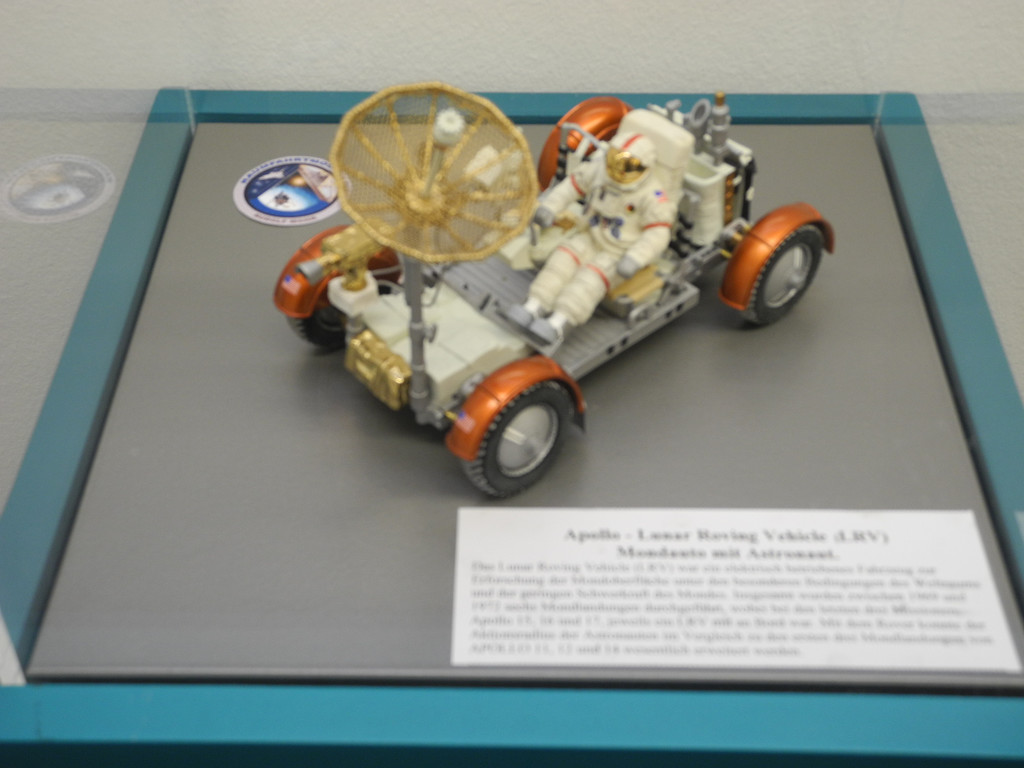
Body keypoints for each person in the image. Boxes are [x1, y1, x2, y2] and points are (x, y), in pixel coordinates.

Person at [507, 131, 675, 345]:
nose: (618, 170)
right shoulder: (599, 170)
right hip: (589, 235)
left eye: (626, 166)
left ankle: (558, 323)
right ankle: (533, 305)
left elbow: (658, 233)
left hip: (617, 253)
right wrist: (550, 207)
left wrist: (635, 258)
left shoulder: (653, 195)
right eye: (614, 161)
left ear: (643, 168)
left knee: (589, 281)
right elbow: (572, 186)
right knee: (561, 261)